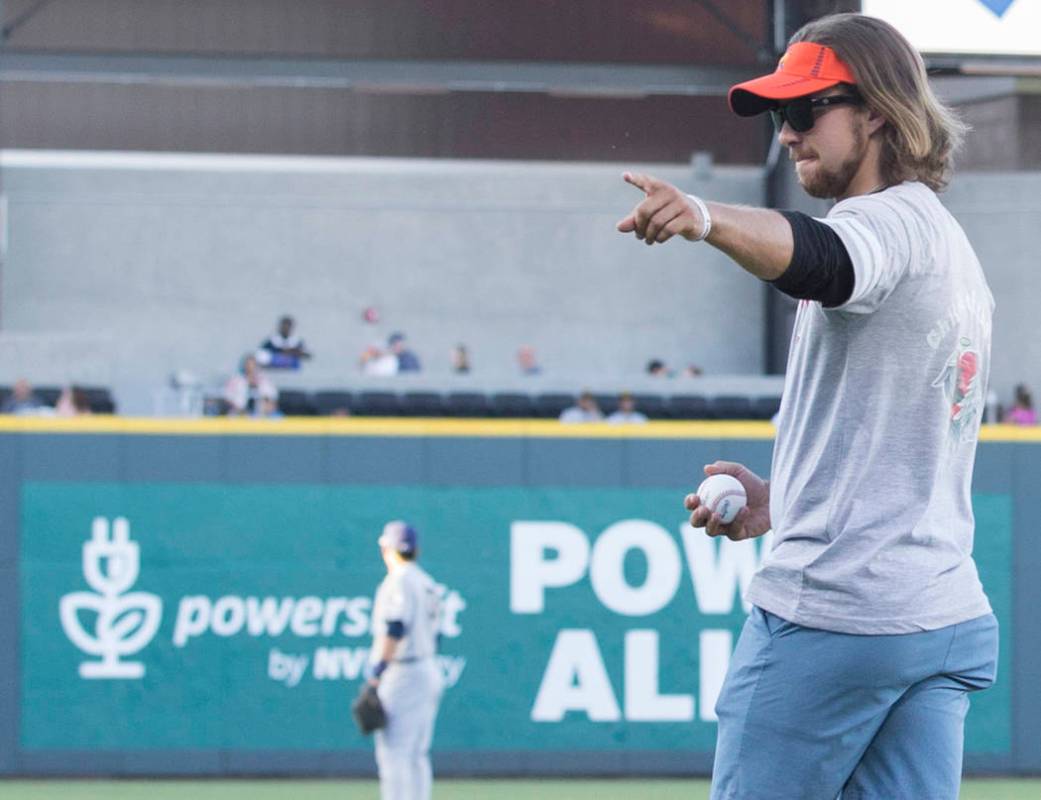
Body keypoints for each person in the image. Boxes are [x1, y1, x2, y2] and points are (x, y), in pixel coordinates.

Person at [618, 14, 997, 800]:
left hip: (835, 617)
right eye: (776, 116)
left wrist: (705, 215)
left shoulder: (879, 225)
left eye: (801, 111)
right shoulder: (947, 246)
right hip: (935, 619)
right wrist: (781, 500)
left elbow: (825, 261)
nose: (785, 134)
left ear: (877, 112)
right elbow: (895, 444)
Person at [367, 520, 444, 800]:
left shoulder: (399, 580)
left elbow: (395, 628)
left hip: (404, 671)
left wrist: (377, 671)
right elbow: (437, 635)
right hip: (428, 667)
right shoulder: (426, 582)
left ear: (389, 549)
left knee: (394, 752)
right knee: (417, 753)